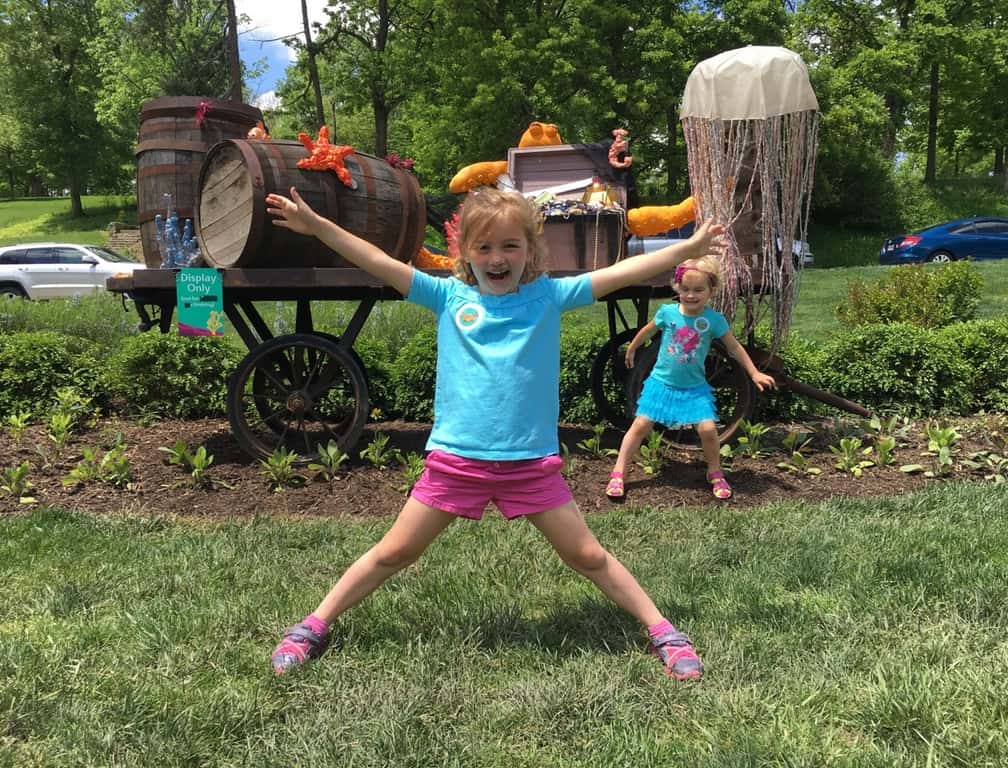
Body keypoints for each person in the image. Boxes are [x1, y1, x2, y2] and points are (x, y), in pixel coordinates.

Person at [264, 185, 725, 681]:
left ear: (531, 249)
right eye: (483, 247)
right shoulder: (446, 295)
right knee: (395, 551)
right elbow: (377, 260)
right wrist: (318, 227)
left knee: (587, 555)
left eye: (510, 245)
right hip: (456, 463)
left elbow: (617, 274)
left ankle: (662, 630)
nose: (497, 257)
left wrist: (685, 249)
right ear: (465, 252)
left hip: (530, 466)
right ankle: (313, 624)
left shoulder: (548, 296)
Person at [605, 256, 775, 501]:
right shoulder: (668, 313)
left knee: (707, 429)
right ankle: (618, 472)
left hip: (694, 388)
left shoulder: (714, 321)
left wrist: (754, 372)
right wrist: (632, 348)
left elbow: (734, 348)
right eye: (685, 289)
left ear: (711, 290)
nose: (691, 295)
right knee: (640, 425)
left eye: (698, 290)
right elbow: (648, 329)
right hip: (661, 384)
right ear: (677, 287)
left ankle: (715, 471)